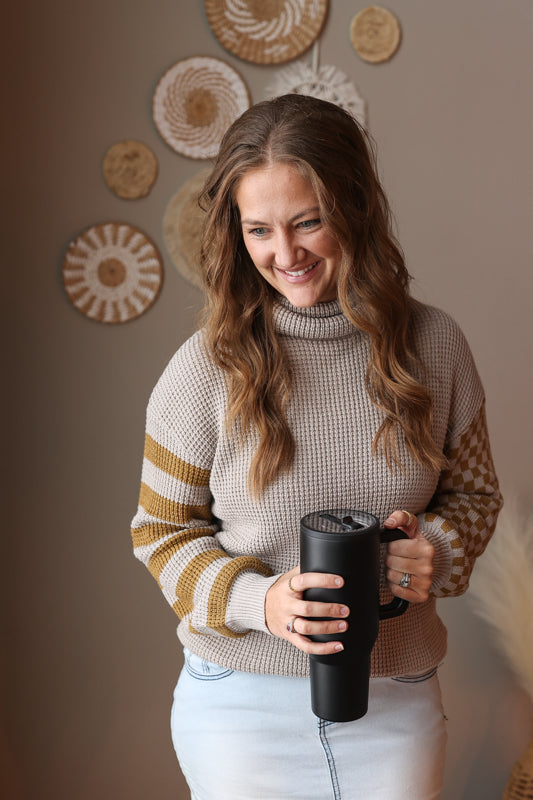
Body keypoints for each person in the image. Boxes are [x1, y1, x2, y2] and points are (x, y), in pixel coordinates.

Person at [130, 94, 502, 800]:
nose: (285, 254)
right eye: (259, 230)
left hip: (395, 697)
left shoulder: (436, 346)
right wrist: (259, 601)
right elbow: (160, 534)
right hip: (240, 705)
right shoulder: (201, 368)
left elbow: (476, 498)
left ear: (355, 209)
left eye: (308, 222)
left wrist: (437, 549)